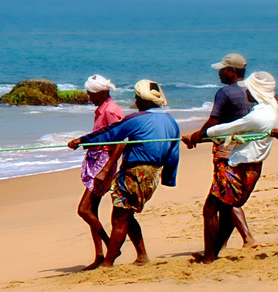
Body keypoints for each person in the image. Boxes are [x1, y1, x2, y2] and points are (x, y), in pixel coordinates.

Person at [68, 80, 180, 267]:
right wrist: (169, 177)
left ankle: (109, 261)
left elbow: (111, 133)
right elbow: (174, 153)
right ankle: (142, 256)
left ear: (144, 101)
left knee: (119, 217)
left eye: (137, 99)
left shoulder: (137, 119)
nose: (135, 103)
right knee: (127, 214)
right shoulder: (171, 122)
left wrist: (81, 140)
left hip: (135, 173)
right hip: (153, 175)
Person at [199, 70, 276, 262]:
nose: (246, 93)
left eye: (249, 90)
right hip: (253, 168)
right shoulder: (273, 108)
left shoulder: (258, 115)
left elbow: (224, 128)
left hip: (237, 166)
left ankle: (209, 257)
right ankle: (213, 254)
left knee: (210, 209)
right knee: (227, 208)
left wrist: (199, 135)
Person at [184, 52, 257, 248]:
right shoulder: (253, 90)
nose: (219, 74)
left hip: (227, 150)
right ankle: (222, 244)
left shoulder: (225, 93)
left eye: (222, 70)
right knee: (230, 198)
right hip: (250, 150)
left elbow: (213, 122)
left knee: (220, 199)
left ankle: (221, 247)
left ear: (232, 71)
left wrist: (195, 137)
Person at [75, 74, 126, 269]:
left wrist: (106, 168)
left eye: (91, 94)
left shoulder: (112, 111)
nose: (89, 97)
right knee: (92, 210)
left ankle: (110, 245)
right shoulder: (101, 110)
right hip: (96, 158)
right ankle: (98, 255)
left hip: (104, 162)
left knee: (83, 209)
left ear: (102, 93)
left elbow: (121, 141)